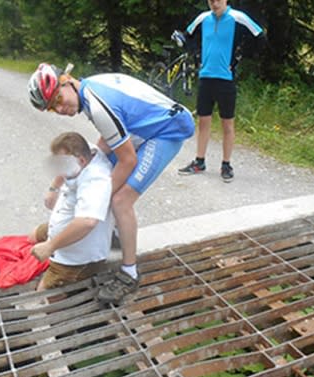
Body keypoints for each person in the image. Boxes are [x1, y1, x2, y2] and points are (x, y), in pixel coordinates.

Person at [28, 63, 195, 304]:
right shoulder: (87, 92)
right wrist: (57, 185)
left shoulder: (97, 105)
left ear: (66, 81)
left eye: (58, 99)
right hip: (143, 126)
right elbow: (100, 146)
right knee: (101, 169)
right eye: (53, 108)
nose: (60, 109)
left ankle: (129, 273)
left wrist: (93, 206)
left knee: (119, 200)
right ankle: (115, 233)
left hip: (167, 130)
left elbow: (128, 160)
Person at [177, 0, 264, 182]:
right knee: (203, 121)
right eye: (210, 0)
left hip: (226, 79)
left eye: (217, 0)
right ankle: (199, 161)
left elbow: (260, 37)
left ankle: (226, 164)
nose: (214, 4)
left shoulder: (237, 18)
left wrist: (239, 57)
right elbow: (187, 36)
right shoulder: (203, 18)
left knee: (227, 124)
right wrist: (193, 50)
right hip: (205, 76)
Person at [29, 132, 114, 292]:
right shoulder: (87, 151)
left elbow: (87, 222)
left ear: (81, 161)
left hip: (77, 256)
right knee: (32, 236)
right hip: (65, 221)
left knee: (43, 294)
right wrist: (54, 188)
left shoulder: (96, 181)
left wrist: (50, 246)